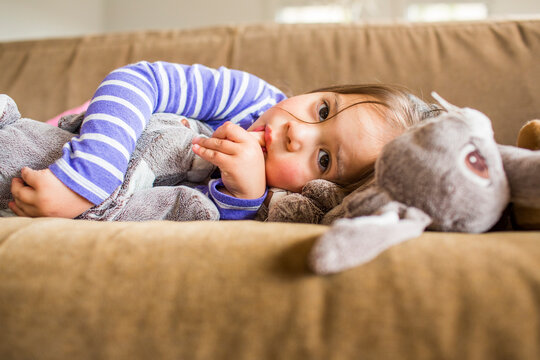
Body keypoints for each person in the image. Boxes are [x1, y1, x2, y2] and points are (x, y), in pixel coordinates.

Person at [7, 61, 433, 220]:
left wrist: (244, 196)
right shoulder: (252, 97)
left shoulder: (282, 208)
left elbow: (184, 209)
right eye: (322, 111)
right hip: (64, 137)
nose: (295, 131)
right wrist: (87, 180)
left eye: (324, 159)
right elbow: (138, 78)